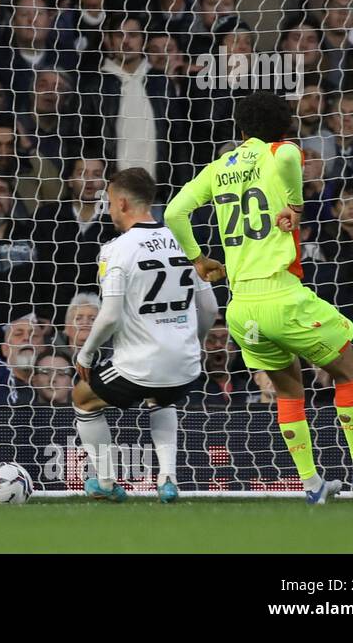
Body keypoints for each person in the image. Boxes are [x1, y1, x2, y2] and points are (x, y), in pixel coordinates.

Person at [163, 91, 353, 504]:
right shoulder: (280, 151)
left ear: (240, 130)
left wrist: (198, 259)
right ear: (285, 127)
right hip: (281, 292)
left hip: (241, 306)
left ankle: (313, 485)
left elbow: (173, 212)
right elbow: (288, 160)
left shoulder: (218, 167)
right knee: (348, 367)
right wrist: (296, 205)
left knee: (288, 389)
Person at [72, 168, 219, 503]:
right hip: (185, 366)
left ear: (122, 203)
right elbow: (209, 308)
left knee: (83, 398)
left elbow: (109, 316)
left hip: (140, 365)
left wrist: (86, 354)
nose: (108, 210)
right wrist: (192, 345)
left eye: (109, 203)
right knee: (162, 398)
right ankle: (168, 481)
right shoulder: (183, 240)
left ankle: (106, 484)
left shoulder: (116, 250)